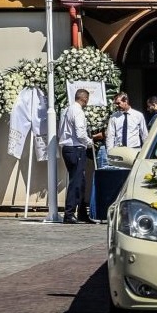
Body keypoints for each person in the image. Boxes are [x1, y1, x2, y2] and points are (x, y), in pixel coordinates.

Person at [59, 89, 94, 224]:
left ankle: (81, 212)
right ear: (84, 99)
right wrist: (89, 142)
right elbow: (80, 133)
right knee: (76, 182)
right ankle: (69, 213)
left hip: (68, 148)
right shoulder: (78, 111)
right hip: (76, 148)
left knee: (81, 181)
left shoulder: (66, 110)